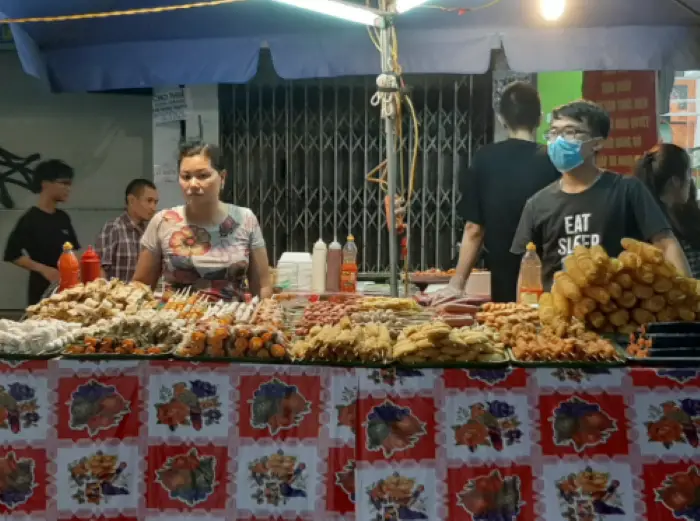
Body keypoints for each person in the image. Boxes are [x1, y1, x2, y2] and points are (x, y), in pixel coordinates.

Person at [511, 100, 690, 291]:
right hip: (559, 312)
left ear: (597, 142)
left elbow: (666, 244)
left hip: (617, 310)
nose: (559, 140)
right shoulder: (537, 204)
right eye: (553, 132)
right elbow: (527, 271)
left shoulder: (626, 190)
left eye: (570, 132)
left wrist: (691, 300)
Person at [435, 81, 560, 302]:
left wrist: (457, 284)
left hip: (505, 279)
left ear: (502, 120)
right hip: (551, 279)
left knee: (508, 328)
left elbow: (474, 228)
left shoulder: (485, 158)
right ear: (540, 118)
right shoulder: (555, 160)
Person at [132, 140, 272, 300]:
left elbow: (263, 287)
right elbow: (141, 287)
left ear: (222, 177)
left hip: (233, 321)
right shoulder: (163, 221)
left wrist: (263, 318)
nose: (192, 184)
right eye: (185, 177)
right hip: (176, 320)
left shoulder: (245, 219)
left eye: (203, 176)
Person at [3, 159, 80, 305]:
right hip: (41, 289)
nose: (68, 189)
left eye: (69, 185)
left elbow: (73, 250)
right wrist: (43, 269)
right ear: (45, 184)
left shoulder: (63, 218)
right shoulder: (30, 218)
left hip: (67, 288)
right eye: (63, 183)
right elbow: (12, 254)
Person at [634, 143, 700, 277]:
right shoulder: (659, 229)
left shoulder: (682, 214)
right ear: (675, 181)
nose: (691, 180)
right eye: (688, 174)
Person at [95, 179, 159, 281]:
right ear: (131, 200)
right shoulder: (114, 228)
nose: (153, 207)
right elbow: (99, 268)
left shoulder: (149, 231)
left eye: (155, 202)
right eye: (149, 201)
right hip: (117, 295)